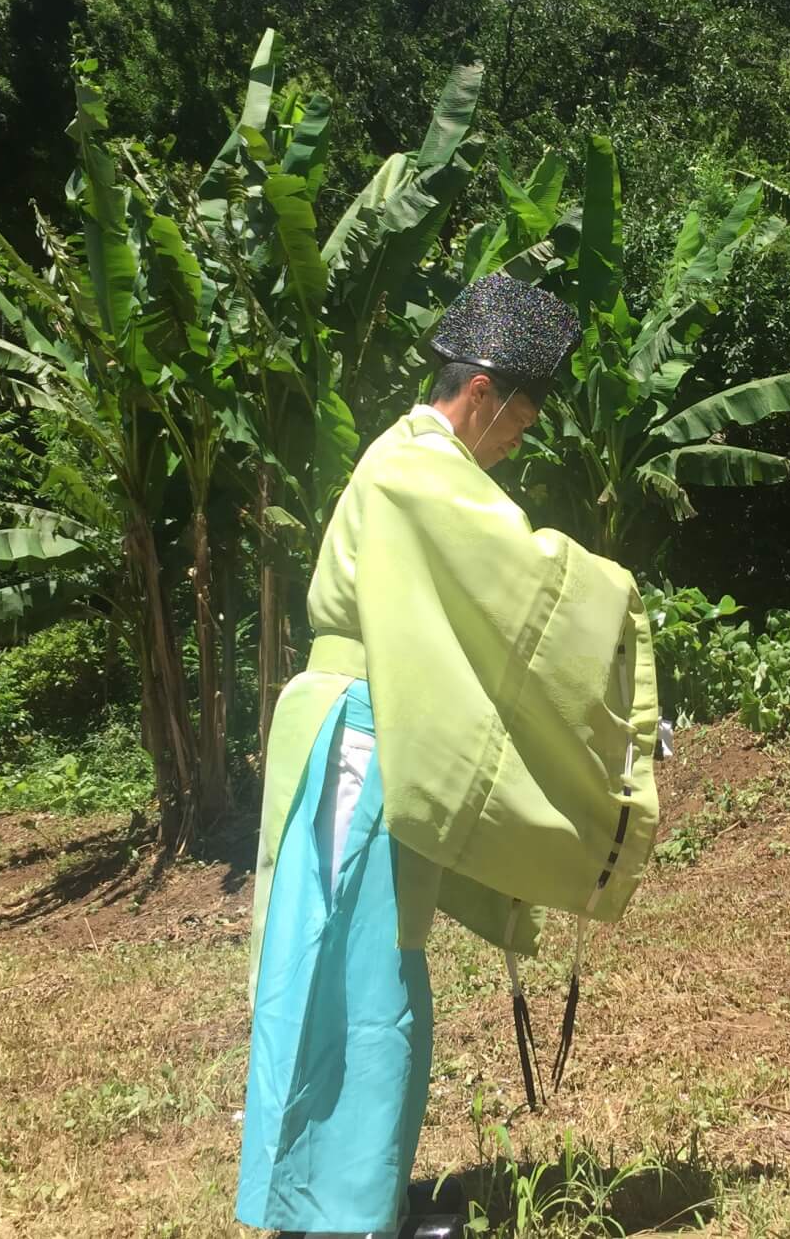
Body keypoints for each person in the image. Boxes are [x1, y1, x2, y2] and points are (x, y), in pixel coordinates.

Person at [236, 273, 664, 1239]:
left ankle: (354, 1200)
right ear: (483, 391)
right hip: (356, 738)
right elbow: (517, 578)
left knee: (377, 974)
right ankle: (344, 1216)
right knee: (359, 977)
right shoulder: (414, 468)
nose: (522, 437)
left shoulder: (412, 464)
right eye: (522, 416)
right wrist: (617, 598)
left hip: (371, 731)